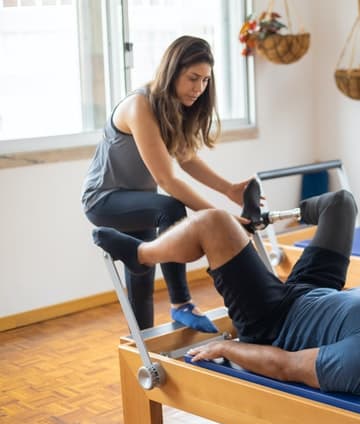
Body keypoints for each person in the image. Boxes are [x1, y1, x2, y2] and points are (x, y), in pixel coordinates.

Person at [92, 189, 360, 399]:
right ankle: (263, 218)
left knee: (214, 224)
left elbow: (287, 365)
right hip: (319, 294)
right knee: (342, 205)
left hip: (274, 319)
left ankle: (141, 256)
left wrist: (228, 347)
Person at [81, 35, 251, 332]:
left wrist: (229, 189)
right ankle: (181, 303)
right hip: (103, 199)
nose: (199, 88)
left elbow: (186, 160)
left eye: (205, 80)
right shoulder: (140, 106)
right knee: (170, 208)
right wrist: (220, 218)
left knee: (141, 273)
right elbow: (167, 179)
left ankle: (141, 347)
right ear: (172, 72)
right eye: (192, 78)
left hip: (138, 200)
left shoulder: (174, 107)